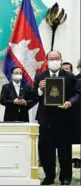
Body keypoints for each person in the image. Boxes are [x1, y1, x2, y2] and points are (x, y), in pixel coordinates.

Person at [34, 51, 80, 185]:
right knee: (46, 149)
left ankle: (65, 177)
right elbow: (33, 94)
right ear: (47, 61)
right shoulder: (40, 76)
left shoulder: (70, 76)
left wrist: (70, 102)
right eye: (51, 58)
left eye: (57, 58)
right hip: (45, 117)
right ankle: (49, 176)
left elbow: (77, 93)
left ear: (61, 60)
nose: (54, 61)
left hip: (64, 117)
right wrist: (40, 89)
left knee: (64, 149)